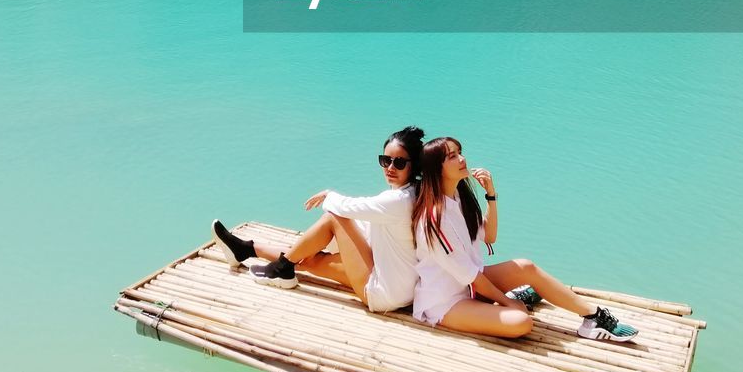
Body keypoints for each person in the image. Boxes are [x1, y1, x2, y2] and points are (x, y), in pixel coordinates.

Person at [411, 136, 638, 342]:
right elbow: (472, 277)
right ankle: (515, 299)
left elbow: (490, 236)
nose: (462, 159)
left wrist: (491, 195)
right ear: (436, 169)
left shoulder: (459, 197)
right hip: (446, 303)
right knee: (521, 321)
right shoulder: (435, 218)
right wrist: (506, 302)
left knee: (526, 267)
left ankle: (593, 316)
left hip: (471, 285)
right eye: (452, 156)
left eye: (460, 152)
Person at [210, 125, 424, 313]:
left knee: (333, 218)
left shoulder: (398, 200)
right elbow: (369, 220)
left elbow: (348, 209)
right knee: (309, 258)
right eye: (385, 160)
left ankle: (281, 268)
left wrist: (329, 195)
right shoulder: (415, 193)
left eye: (399, 163)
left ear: (413, 166)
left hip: (382, 293)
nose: (390, 168)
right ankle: (248, 249)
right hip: (398, 287)